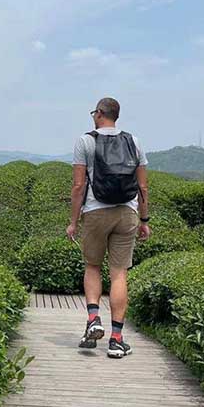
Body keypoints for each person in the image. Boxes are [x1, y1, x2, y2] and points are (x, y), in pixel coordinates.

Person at [66, 97, 151, 358]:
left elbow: (79, 186)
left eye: (94, 112)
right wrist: (144, 221)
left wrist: (73, 221)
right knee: (119, 274)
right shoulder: (133, 141)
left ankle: (94, 319)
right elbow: (144, 187)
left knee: (92, 266)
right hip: (127, 213)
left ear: (99, 113)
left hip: (95, 211)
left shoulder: (85, 141)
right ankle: (116, 340)